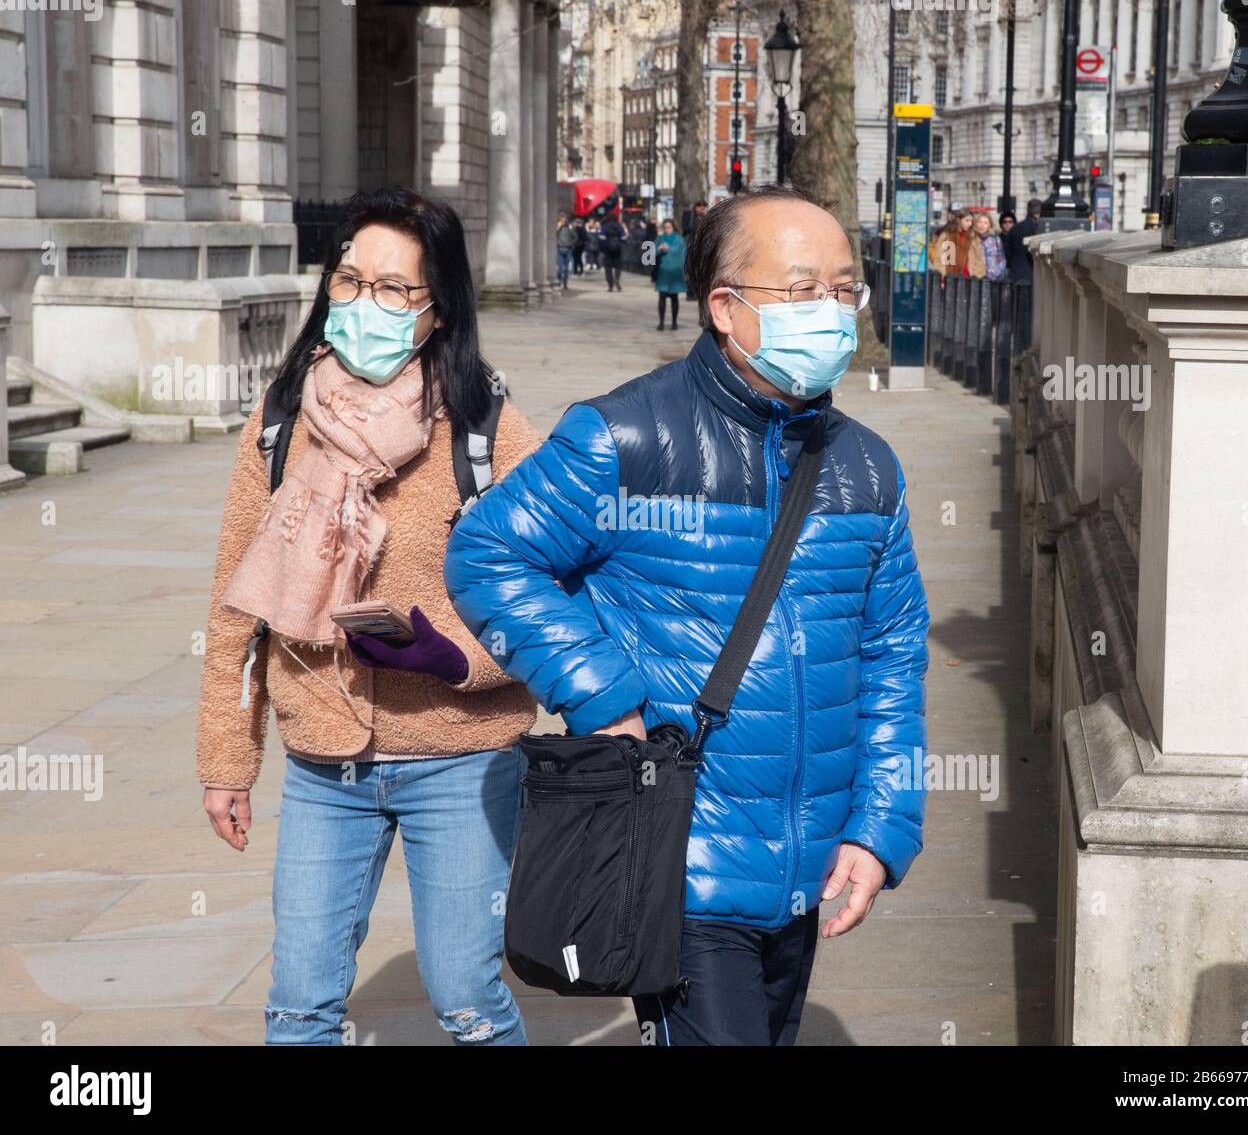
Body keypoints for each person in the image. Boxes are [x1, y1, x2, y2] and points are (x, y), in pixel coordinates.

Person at [445, 185, 929, 1047]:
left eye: (842, 288)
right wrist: (605, 697)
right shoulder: (622, 437)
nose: (829, 310)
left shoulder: (869, 469)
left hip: (805, 866)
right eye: (799, 288)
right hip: (680, 859)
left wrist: (880, 825)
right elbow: (487, 553)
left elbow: (892, 657)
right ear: (724, 309)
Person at [197, 186, 542, 1046]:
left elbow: (552, 596)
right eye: (350, 280)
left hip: (461, 759)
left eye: (395, 289)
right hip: (322, 763)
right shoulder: (283, 419)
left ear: (438, 309)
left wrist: (457, 658)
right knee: (299, 1001)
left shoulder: (487, 429)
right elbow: (236, 608)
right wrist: (226, 761)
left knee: (467, 995)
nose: (364, 304)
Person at [928, 208, 985, 278]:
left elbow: (979, 260)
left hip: (970, 278)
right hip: (950, 277)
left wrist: (977, 276)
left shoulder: (973, 237)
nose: (970, 224)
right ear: (958, 220)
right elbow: (939, 259)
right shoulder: (948, 236)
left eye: (971, 221)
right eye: (967, 221)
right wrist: (942, 275)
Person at [653, 217, 687, 330]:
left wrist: (686, 271)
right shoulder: (660, 238)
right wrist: (659, 249)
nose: (667, 229)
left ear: (673, 227)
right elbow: (650, 254)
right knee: (661, 297)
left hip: (675, 272)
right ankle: (661, 322)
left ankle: (674, 322)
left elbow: (684, 256)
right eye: (665, 227)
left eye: (668, 227)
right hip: (663, 272)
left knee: (674, 297)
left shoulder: (679, 240)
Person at [1003, 198, 1041, 284]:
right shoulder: (1037, 228)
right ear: (1038, 214)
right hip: (1031, 271)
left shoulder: (1015, 228)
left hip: (1014, 269)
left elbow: (1007, 250)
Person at [973, 212, 1006, 280]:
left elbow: (1001, 258)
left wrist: (997, 273)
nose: (982, 225)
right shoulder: (972, 239)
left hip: (993, 279)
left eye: (985, 223)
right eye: (979, 222)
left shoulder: (995, 239)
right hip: (976, 278)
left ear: (989, 225)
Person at [599, 213, 626, 291]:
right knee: (618, 266)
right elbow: (624, 238)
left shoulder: (605, 227)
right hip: (617, 250)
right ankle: (616, 278)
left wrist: (603, 249)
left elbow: (601, 239)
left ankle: (610, 285)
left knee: (608, 268)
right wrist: (621, 245)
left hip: (607, 250)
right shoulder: (619, 226)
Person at [556, 213, 576, 291]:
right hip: (560, 249)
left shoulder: (569, 228)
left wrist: (571, 244)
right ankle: (558, 282)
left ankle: (565, 284)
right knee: (560, 268)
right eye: (562, 219)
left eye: (565, 219)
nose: (564, 221)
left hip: (568, 249)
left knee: (566, 269)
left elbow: (575, 237)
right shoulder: (558, 227)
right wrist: (558, 227)